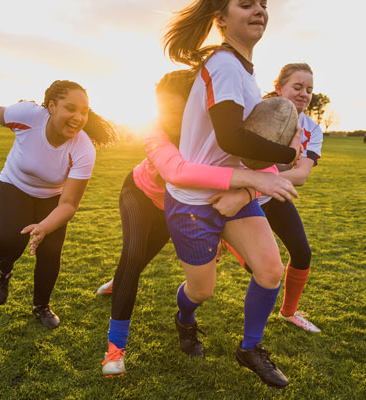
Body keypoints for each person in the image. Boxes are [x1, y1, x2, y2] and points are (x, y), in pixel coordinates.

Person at [100, 69, 298, 378]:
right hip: (146, 197)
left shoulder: (216, 126)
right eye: (165, 108)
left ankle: (191, 321)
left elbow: (268, 169)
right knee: (133, 258)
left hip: (191, 206)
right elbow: (177, 171)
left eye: (180, 108)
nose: (172, 116)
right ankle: (115, 349)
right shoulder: (155, 129)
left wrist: (246, 192)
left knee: (199, 280)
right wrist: (248, 181)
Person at [162, 0, 303, 389]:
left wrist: (255, 179)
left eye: (263, 4)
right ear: (221, 19)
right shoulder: (222, 64)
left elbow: (245, 149)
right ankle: (185, 320)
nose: (259, 9)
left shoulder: (244, 72)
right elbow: (231, 137)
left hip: (233, 189)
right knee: (202, 290)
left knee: (271, 269)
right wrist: (290, 155)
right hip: (193, 200)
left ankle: (250, 348)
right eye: (246, 4)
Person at [0, 80, 117, 328]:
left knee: (50, 253)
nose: (79, 118)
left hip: (53, 198)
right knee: (8, 241)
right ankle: (3, 272)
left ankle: (41, 306)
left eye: (84, 111)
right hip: (15, 184)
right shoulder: (26, 115)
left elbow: (68, 205)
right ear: (51, 106)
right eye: (71, 108)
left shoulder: (84, 149)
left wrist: (45, 227)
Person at [219, 63, 323, 332]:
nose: (304, 94)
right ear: (279, 88)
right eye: (297, 87)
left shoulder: (312, 129)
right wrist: (250, 186)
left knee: (302, 253)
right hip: (240, 195)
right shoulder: (255, 111)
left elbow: (300, 175)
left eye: (309, 89)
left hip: (269, 196)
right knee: (262, 269)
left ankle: (289, 313)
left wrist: (262, 184)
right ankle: (226, 240)